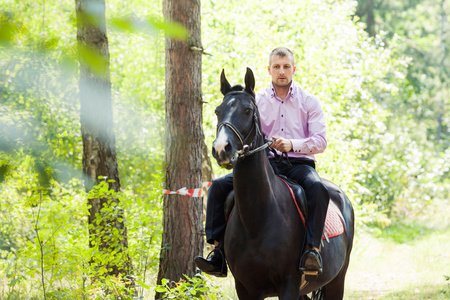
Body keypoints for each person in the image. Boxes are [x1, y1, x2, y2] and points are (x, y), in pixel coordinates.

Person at [194, 47, 330, 277]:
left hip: (298, 165)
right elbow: (245, 131)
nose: (282, 71)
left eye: (286, 66)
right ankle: (218, 254)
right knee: (217, 187)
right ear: (269, 70)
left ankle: (312, 250)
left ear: (294, 69)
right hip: (264, 166)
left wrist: (291, 144)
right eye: (276, 67)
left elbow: (321, 141)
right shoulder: (255, 101)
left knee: (317, 188)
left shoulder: (309, 102)